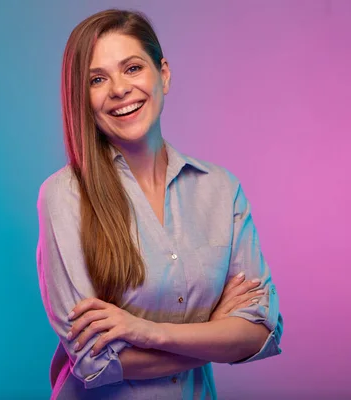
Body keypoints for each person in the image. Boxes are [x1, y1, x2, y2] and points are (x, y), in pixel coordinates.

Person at [36, 9, 283, 400]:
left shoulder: (221, 190)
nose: (119, 89)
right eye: (98, 79)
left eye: (132, 68)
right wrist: (213, 332)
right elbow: (93, 363)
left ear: (162, 74)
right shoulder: (64, 196)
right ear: (82, 98)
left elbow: (259, 331)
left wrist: (146, 331)